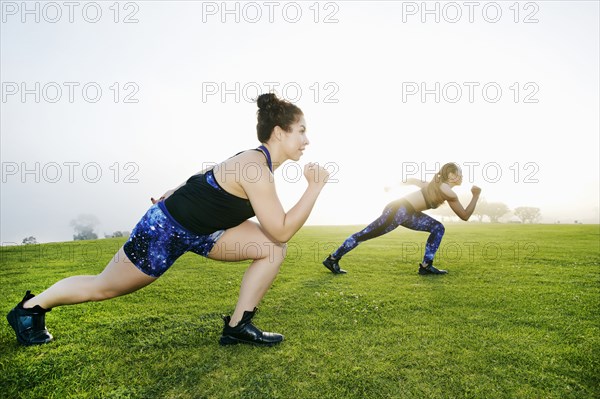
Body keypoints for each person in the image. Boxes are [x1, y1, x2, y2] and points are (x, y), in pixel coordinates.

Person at [7, 93, 329, 347]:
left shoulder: (256, 163)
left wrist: (176, 188)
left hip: (206, 232)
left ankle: (237, 327)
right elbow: (283, 228)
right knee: (104, 287)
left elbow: (209, 176)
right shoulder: (254, 166)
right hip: (165, 230)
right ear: (278, 132)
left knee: (271, 249)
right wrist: (314, 187)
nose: (306, 140)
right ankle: (31, 309)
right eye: (301, 130)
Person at [322, 163, 481, 275]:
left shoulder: (435, 185)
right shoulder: (448, 191)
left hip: (407, 213)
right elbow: (465, 215)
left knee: (437, 227)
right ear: (452, 175)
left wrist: (393, 186)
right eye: (459, 173)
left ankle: (426, 266)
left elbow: (412, 180)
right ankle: (333, 258)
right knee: (364, 234)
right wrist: (476, 196)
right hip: (398, 211)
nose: (462, 176)